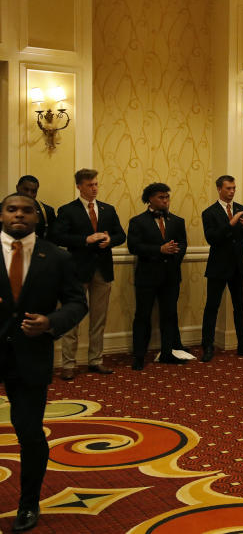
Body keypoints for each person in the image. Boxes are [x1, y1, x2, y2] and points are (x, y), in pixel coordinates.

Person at [1, 193, 87, 532]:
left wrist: (50, 323)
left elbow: (77, 303)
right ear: (2, 215)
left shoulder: (57, 257)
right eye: (12, 210)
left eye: (26, 210)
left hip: (30, 356)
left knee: (31, 435)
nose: (19, 215)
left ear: (36, 216)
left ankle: (28, 504)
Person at [50, 168, 125, 380]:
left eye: (96, 184)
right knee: (72, 318)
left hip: (103, 270)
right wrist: (86, 239)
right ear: (79, 186)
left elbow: (121, 234)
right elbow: (57, 236)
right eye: (90, 185)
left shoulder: (107, 209)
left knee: (99, 319)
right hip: (77, 270)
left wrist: (111, 241)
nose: (94, 188)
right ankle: (68, 364)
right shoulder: (67, 210)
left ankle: (96, 360)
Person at [127, 183, 188, 371]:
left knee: (169, 315)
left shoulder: (177, 221)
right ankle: (139, 356)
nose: (165, 201)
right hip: (147, 276)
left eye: (167, 197)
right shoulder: (137, 221)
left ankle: (167, 352)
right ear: (151, 199)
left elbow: (183, 244)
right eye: (161, 197)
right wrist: (159, 250)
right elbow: (134, 247)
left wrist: (174, 255)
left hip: (171, 275)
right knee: (142, 316)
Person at [200, 175, 243, 362]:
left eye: (234, 188)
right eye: (228, 188)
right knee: (212, 307)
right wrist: (230, 223)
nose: (232, 191)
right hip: (218, 266)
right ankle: (207, 346)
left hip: (239, 266)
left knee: (240, 307)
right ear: (219, 189)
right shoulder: (209, 212)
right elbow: (212, 238)